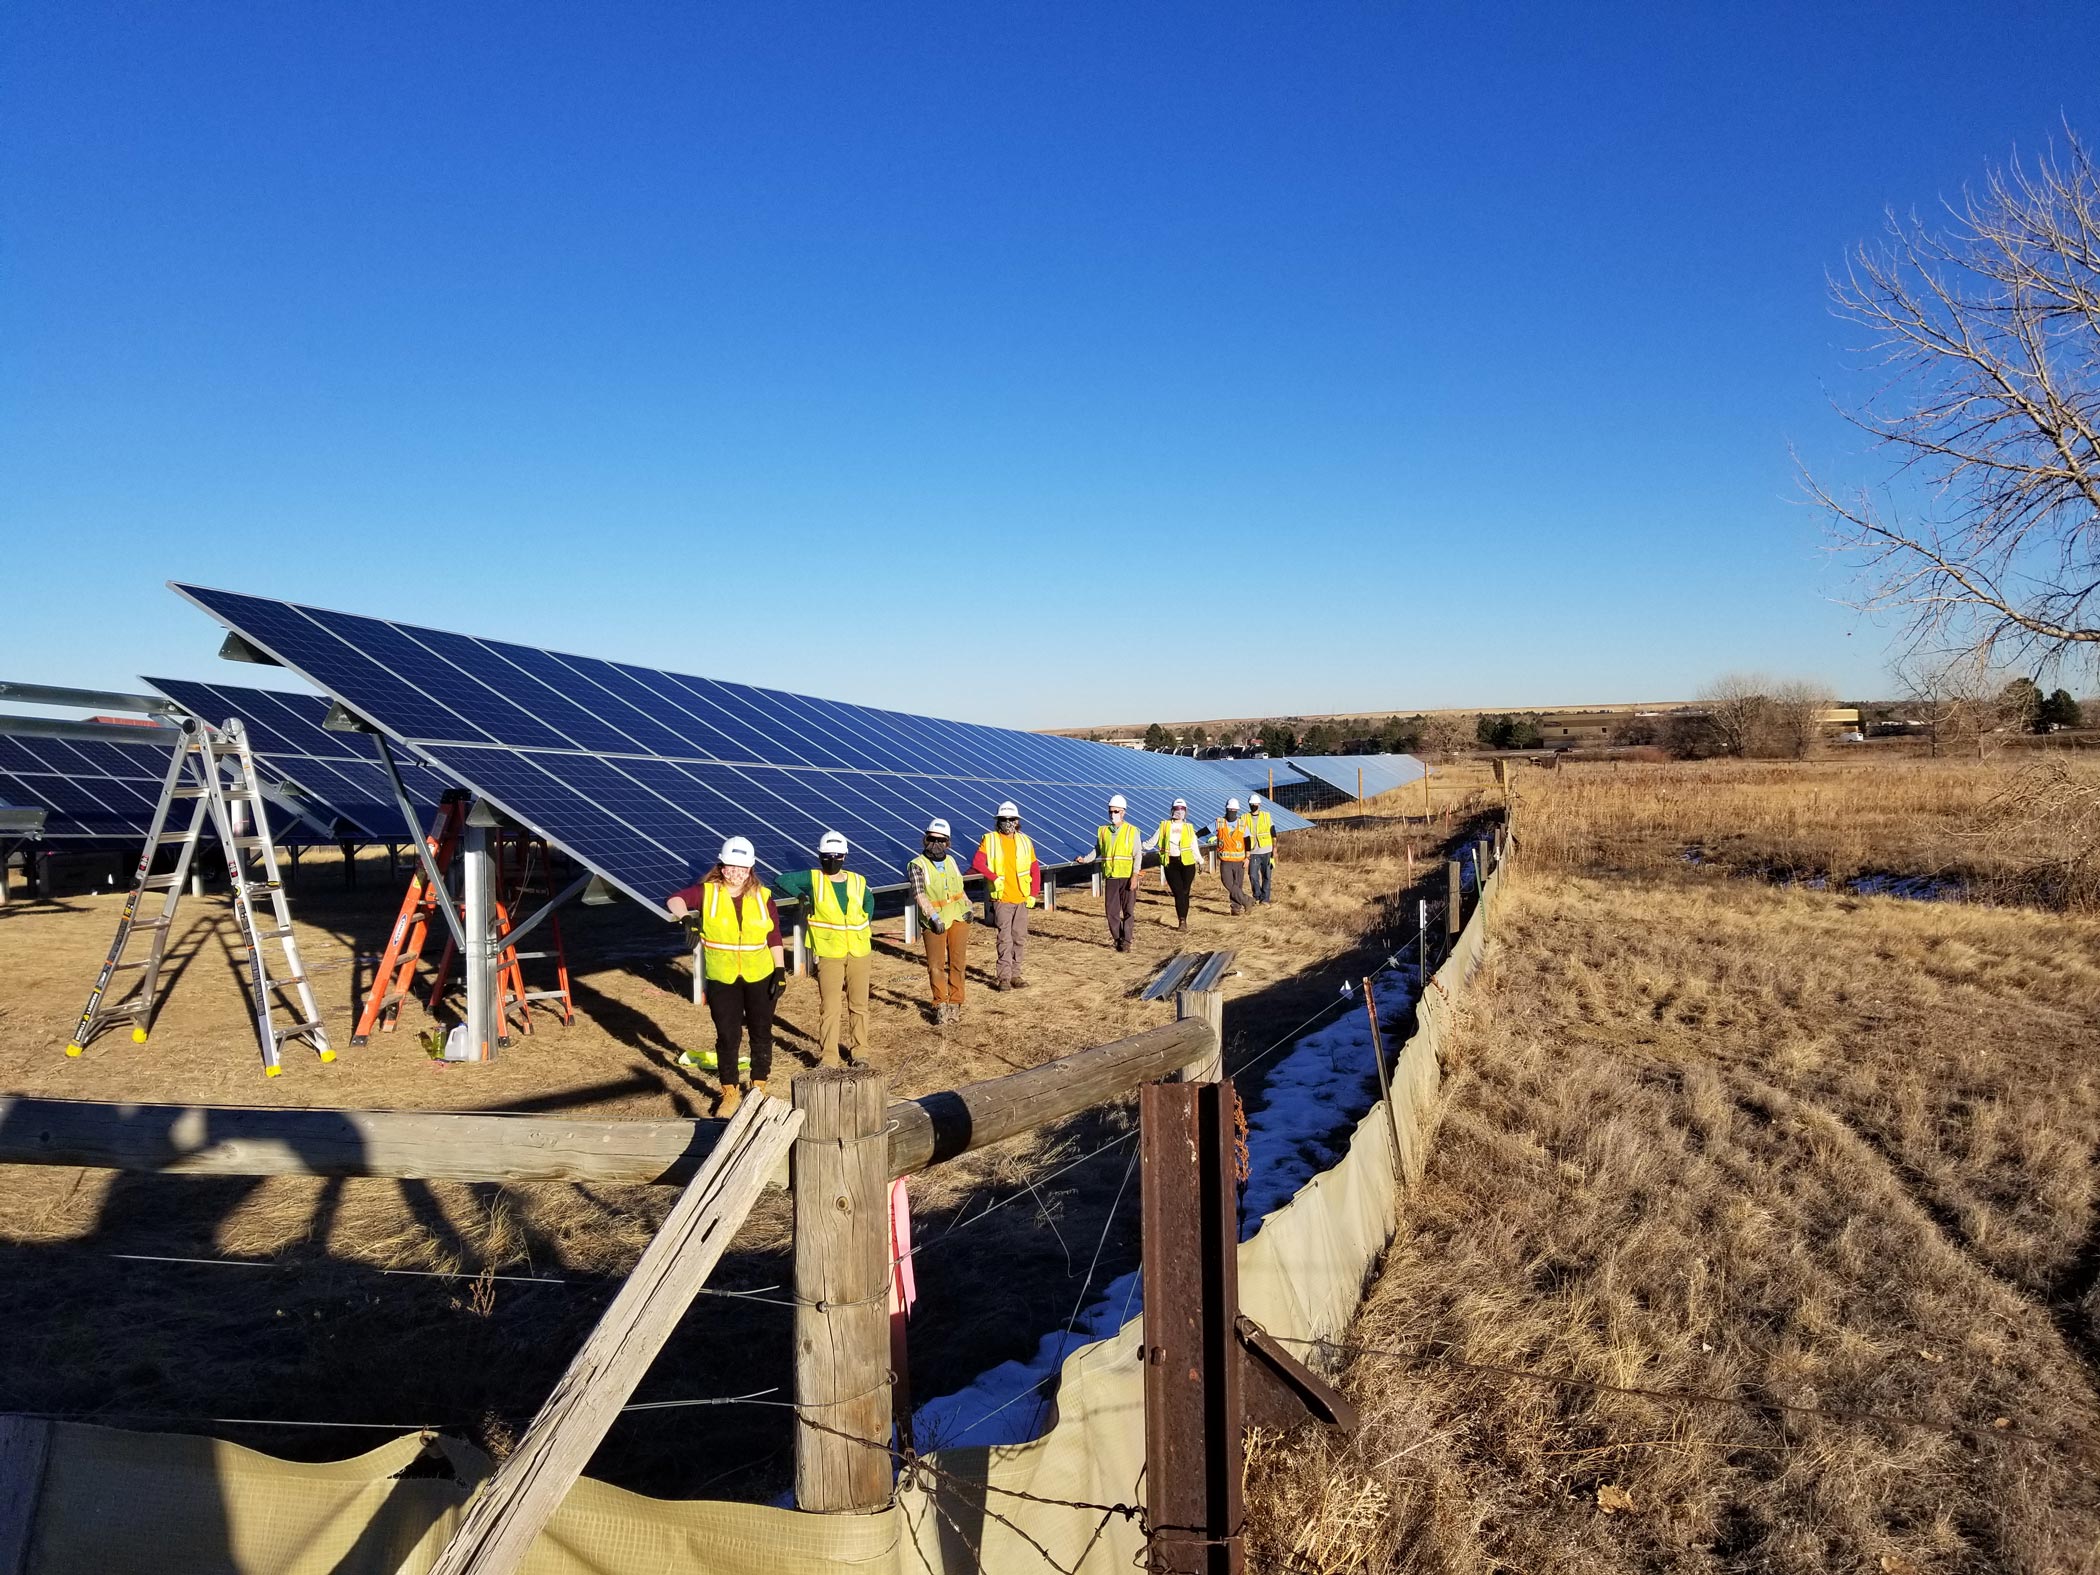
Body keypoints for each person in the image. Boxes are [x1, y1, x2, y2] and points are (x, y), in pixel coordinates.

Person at [664, 836, 785, 1116]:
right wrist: (687, 919)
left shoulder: (763, 897)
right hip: (723, 976)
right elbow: (675, 899)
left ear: (751, 869)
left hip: (761, 974)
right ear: (722, 865)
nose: (736, 872)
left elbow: (774, 935)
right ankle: (729, 1092)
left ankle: (758, 1088)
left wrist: (779, 970)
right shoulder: (707, 892)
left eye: (742, 868)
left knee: (761, 1032)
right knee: (727, 1036)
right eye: (730, 866)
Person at [772, 831, 872, 1066]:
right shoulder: (814, 878)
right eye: (826, 856)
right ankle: (829, 1057)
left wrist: (865, 920)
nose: (831, 860)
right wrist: (802, 896)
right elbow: (782, 880)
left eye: (836, 856)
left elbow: (869, 901)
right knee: (830, 1006)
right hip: (829, 952)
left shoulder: (858, 880)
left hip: (859, 950)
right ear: (819, 856)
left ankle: (861, 1052)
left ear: (844, 856)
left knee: (859, 1004)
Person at [970, 800, 1038, 989]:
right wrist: (993, 877)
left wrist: (1033, 893)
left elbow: (1035, 869)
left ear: (1017, 821)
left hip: (1021, 898)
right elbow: (978, 862)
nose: (1007, 823)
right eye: (1003, 819)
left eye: (1010, 819)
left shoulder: (1025, 841)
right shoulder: (989, 840)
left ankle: (1016, 975)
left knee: (1019, 938)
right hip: (1002, 899)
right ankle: (1004, 978)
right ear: (998, 820)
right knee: (1004, 938)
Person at [909, 818, 972, 1024]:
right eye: (931, 840)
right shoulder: (917, 865)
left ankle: (956, 1003)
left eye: (940, 840)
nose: (935, 845)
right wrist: (932, 916)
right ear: (924, 840)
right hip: (934, 921)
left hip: (957, 916)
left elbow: (959, 888)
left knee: (958, 962)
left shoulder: (951, 861)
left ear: (947, 843)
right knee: (936, 965)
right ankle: (940, 1004)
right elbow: (919, 894)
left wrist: (968, 905)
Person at [1075, 793, 1143, 951]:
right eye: (1111, 811)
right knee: (1111, 911)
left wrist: (1135, 876)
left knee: (1128, 911)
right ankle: (1118, 938)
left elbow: (1137, 854)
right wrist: (1085, 859)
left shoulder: (1132, 831)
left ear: (1123, 812)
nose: (1113, 814)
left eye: (1116, 811)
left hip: (1127, 876)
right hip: (1111, 876)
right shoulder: (1103, 831)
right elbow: (1097, 850)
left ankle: (1126, 941)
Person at [1144, 797, 1203, 929]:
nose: (1179, 812)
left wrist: (1200, 860)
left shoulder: (1189, 828)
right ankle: (1181, 919)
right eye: (1177, 809)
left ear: (1186, 811)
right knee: (1178, 892)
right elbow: (1151, 843)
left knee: (1185, 891)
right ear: (1172, 810)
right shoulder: (1164, 826)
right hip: (1171, 863)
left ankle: (1183, 920)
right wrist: (1137, 846)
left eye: (1182, 809)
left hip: (1188, 863)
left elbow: (1194, 846)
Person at [1213, 798, 1253, 916]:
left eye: (1234, 810)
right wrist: (1194, 836)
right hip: (1225, 861)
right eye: (1230, 810)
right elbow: (1205, 830)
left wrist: (1247, 858)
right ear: (1226, 809)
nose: (1232, 812)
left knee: (1237, 885)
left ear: (1237, 811)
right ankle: (1247, 900)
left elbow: (1247, 841)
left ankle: (1235, 909)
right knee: (1228, 883)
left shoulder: (1241, 824)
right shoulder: (1219, 822)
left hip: (1239, 861)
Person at [1246, 792, 1277, 904]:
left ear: (1259, 804)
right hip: (1253, 851)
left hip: (1266, 850)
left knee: (1266, 876)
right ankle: (1257, 895)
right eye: (1252, 804)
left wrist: (1274, 850)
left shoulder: (1266, 816)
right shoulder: (1244, 818)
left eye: (1255, 804)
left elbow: (1273, 833)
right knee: (1253, 875)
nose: (1254, 806)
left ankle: (1265, 899)